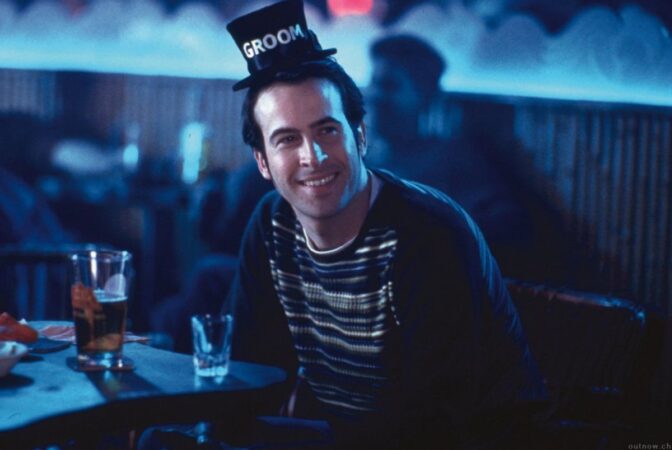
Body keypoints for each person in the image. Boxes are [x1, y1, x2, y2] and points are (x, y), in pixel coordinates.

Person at [140, 1, 545, 448]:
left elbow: (436, 425)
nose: (312, 156)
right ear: (263, 162)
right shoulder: (273, 223)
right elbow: (245, 374)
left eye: (327, 131)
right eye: (287, 139)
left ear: (360, 136)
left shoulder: (429, 234)